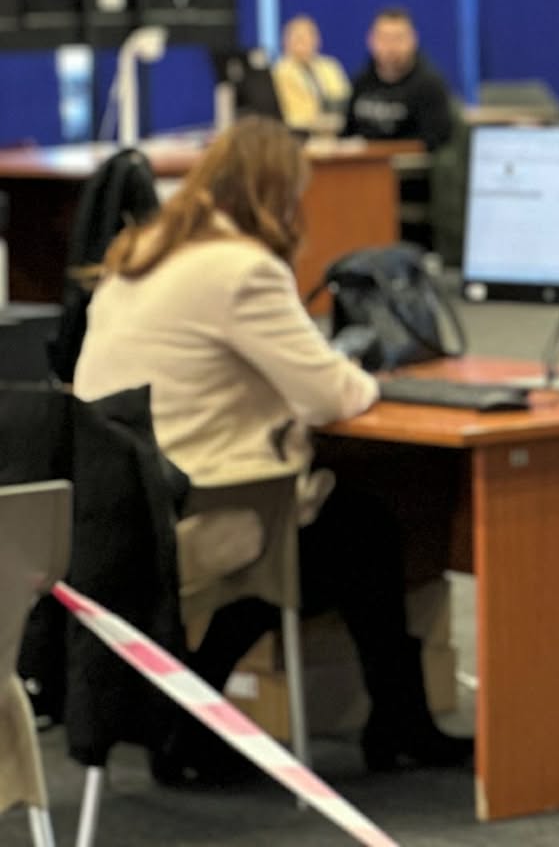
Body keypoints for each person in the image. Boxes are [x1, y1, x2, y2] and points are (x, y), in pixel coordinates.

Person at [71, 118, 472, 780]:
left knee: (339, 527)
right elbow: (331, 396)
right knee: (362, 531)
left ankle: (193, 719)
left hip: (119, 516)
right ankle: (386, 725)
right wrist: (362, 372)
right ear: (276, 195)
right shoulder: (243, 269)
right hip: (199, 513)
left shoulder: (139, 253)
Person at [344, 7, 455, 151]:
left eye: (398, 38)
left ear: (413, 40)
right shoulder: (361, 82)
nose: (391, 47)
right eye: (384, 38)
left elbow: (437, 141)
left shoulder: (429, 85)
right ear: (370, 40)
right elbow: (347, 134)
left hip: (411, 162)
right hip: (365, 162)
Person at [271, 14, 352, 133]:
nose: (302, 42)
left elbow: (343, 98)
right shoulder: (278, 72)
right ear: (285, 41)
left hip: (336, 130)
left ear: (317, 40)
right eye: (297, 37)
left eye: (307, 36)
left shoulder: (330, 66)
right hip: (298, 133)